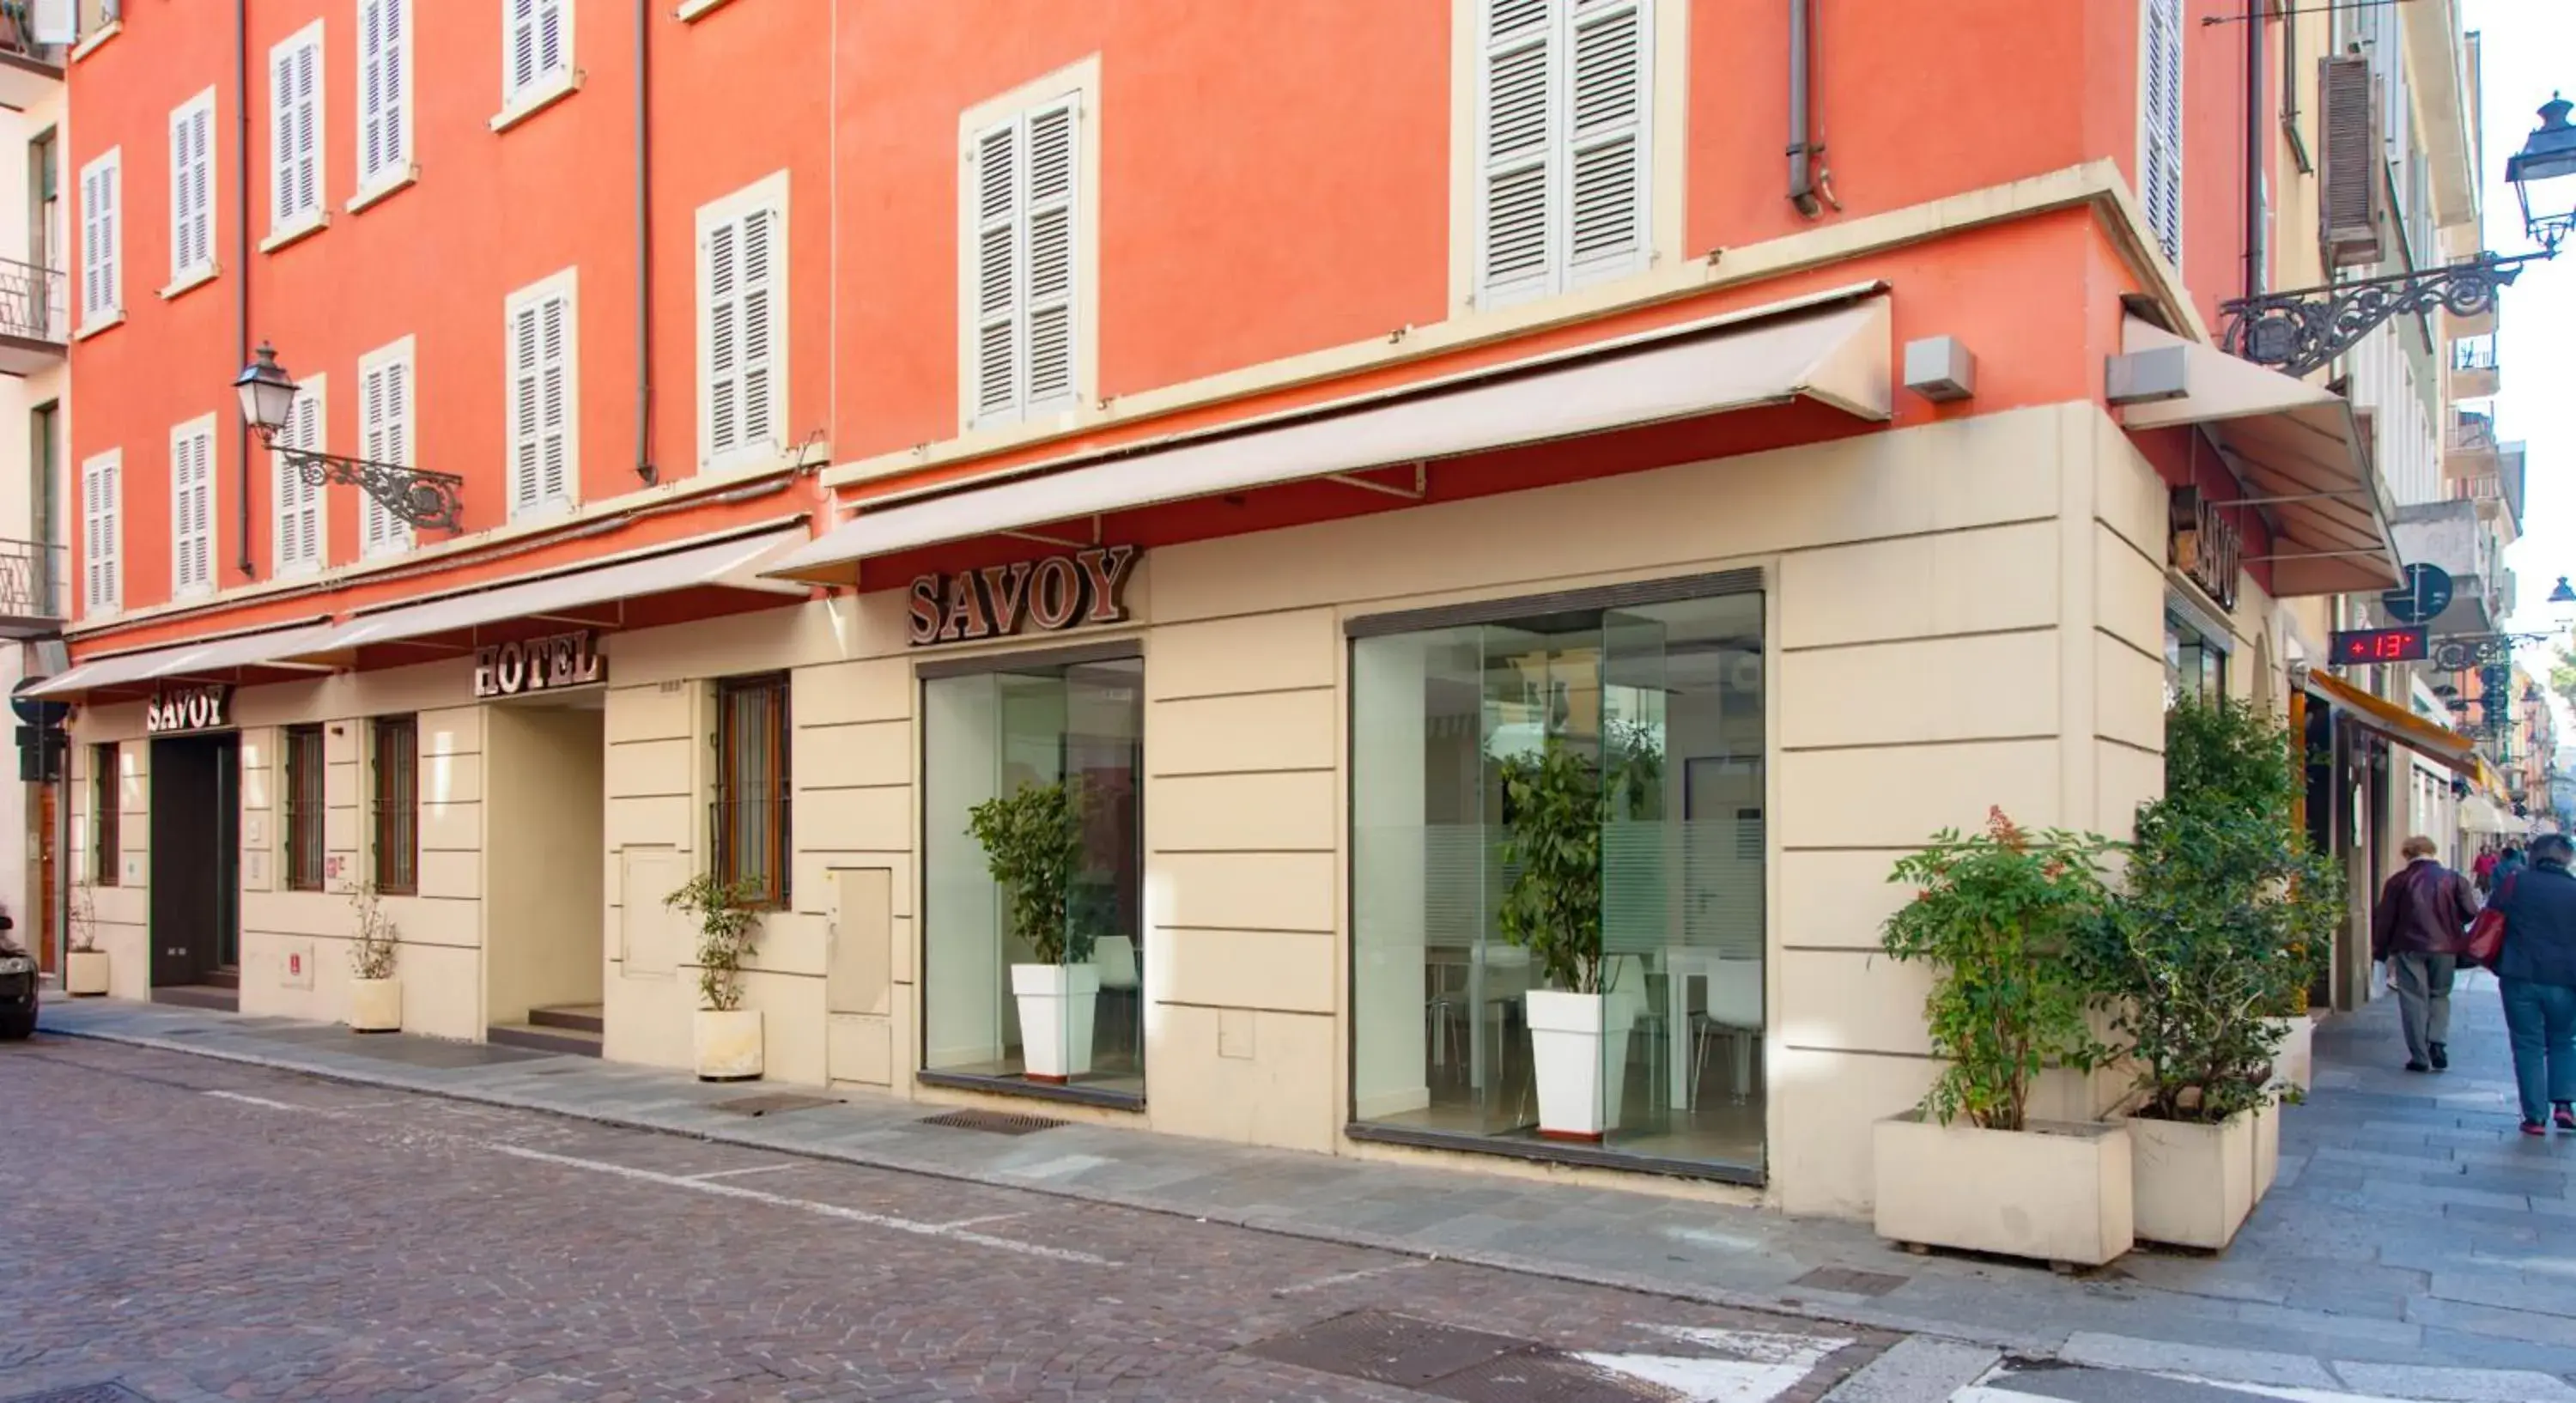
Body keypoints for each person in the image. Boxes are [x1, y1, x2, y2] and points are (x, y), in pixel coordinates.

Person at [2491, 832, 2576, 1136]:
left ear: (2534, 855)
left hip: (2520, 975)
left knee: (2528, 1044)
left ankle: (2535, 1116)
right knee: (2564, 1041)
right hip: (2566, 980)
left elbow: (2492, 916)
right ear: (2567, 858)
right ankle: (2564, 1106)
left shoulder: (2516, 882)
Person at [2372, 835, 2480, 1072]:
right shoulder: (2453, 879)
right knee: (2440, 994)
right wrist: (2452, 921)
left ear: (2407, 854)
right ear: (2432, 852)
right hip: (2446, 947)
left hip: (2409, 946)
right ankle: (2438, 1042)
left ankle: (2420, 1056)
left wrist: (2380, 952)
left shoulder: (2398, 881)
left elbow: (2385, 920)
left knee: (2413, 999)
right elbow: (2471, 912)